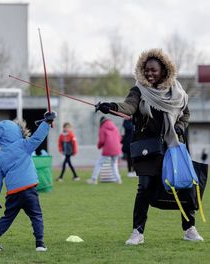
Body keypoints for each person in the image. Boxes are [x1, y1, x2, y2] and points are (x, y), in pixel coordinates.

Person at [95, 48, 203, 244]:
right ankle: (137, 232)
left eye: (154, 70)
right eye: (146, 70)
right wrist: (111, 107)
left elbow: (185, 114)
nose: (149, 74)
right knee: (144, 188)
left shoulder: (177, 91)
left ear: (164, 70)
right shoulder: (138, 90)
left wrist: (179, 127)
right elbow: (129, 107)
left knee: (185, 187)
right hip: (147, 147)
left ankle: (189, 228)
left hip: (173, 146)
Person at [0, 111, 56, 252]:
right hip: (28, 190)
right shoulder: (23, 145)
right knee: (36, 216)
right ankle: (40, 243)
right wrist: (47, 123)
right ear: (15, 131)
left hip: (13, 193)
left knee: (7, 217)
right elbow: (37, 138)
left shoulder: (0, 156)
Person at [86, 116, 122, 184]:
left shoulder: (103, 127)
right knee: (114, 164)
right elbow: (119, 138)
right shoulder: (114, 127)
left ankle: (93, 179)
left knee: (99, 163)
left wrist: (99, 146)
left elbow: (102, 140)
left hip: (108, 148)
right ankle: (118, 179)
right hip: (117, 148)